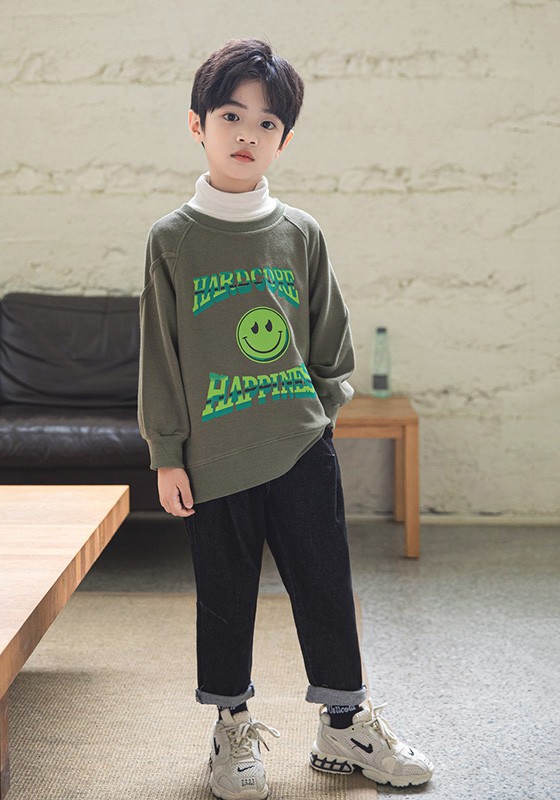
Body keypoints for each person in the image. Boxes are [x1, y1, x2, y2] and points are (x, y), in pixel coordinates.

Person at [138, 38, 434, 800]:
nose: (247, 134)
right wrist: (167, 453)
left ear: (284, 139)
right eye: (231, 116)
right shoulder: (172, 240)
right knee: (225, 597)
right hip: (214, 460)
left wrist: (315, 418)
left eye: (266, 123)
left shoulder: (299, 232)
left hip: (301, 451)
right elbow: (160, 356)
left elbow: (331, 343)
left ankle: (345, 726)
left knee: (325, 586)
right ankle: (231, 726)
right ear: (197, 124)